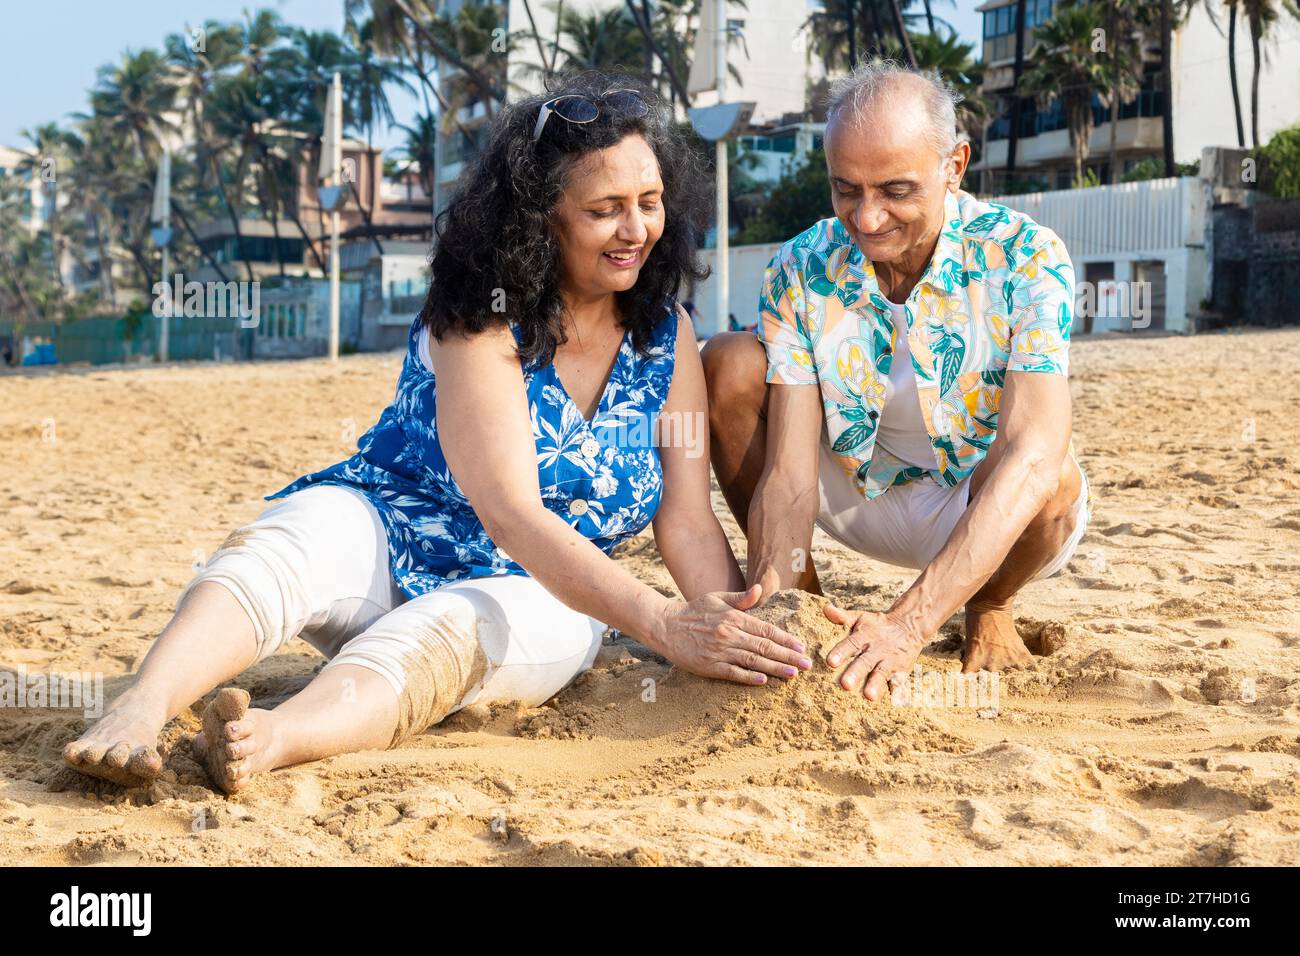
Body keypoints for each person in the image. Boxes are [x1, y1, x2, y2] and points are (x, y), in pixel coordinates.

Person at [64, 73, 810, 794]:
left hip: (545, 590)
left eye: (649, 202)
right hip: (388, 541)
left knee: (458, 627)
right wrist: (660, 622)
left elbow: (683, 517)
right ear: (541, 212)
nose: (637, 229)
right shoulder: (480, 313)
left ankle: (275, 738)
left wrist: (733, 629)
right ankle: (144, 703)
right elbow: (510, 511)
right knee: (295, 539)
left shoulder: (665, 334)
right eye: (605, 208)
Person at [702, 61, 1092, 703]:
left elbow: (1035, 457)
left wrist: (906, 627)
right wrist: (780, 607)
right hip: (859, 493)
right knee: (729, 365)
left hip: (978, 505)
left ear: (954, 166)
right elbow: (792, 473)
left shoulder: (1027, 256)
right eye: (845, 189)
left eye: (896, 190)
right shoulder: (802, 265)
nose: (869, 217)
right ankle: (805, 610)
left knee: (1054, 481)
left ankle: (987, 603)